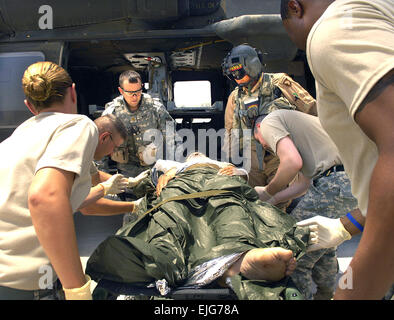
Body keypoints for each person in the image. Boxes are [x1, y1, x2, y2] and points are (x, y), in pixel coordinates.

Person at [280, 0, 394, 299]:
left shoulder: (332, 31)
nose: (302, 46)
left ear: (294, 8)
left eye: (290, 34)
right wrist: (346, 226)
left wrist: (355, 289)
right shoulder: (374, 13)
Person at [86, 152, 314, 300]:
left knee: (230, 212)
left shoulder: (223, 165)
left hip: (221, 184)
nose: (197, 154)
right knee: (170, 214)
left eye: (199, 153)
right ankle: (165, 258)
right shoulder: (173, 165)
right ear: (188, 159)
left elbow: (243, 176)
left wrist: (235, 171)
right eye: (194, 154)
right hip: (181, 186)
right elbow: (153, 173)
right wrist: (165, 176)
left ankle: (239, 256)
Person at [0, 62, 129, 300]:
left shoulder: (16, 139)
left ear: (30, 106)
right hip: (30, 285)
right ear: (73, 92)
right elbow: (46, 197)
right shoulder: (77, 125)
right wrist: (76, 289)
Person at [253, 110, 359, 299]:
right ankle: (325, 294)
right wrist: (273, 199)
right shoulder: (305, 133)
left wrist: (268, 190)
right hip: (349, 182)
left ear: (259, 129)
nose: (266, 146)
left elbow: (292, 162)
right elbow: (303, 185)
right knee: (321, 244)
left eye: (263, 143)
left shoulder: (269, 122)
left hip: (334, 185)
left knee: (293, 249)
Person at [221, 44, 315, 211]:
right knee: (252, 202)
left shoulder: (279, 83)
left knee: (278, 202)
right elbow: (230, 131)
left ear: (252, 66)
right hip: (252, 158)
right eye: (232, 74)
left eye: (239, 72)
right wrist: (229, 163)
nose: (236, 77)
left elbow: (310, 109)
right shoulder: (235, 97)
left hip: (279, 153)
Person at [102, 70, 178, 182]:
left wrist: (171, 170)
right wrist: (105, 181)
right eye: (130, 92)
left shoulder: (156, 109)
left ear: (142, 87)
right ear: (121, 91)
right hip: (126, 173)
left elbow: (172, 139)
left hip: (154, 169)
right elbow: (101, 147)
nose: (134, 96)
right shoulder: (112, 113)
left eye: (138, 91)